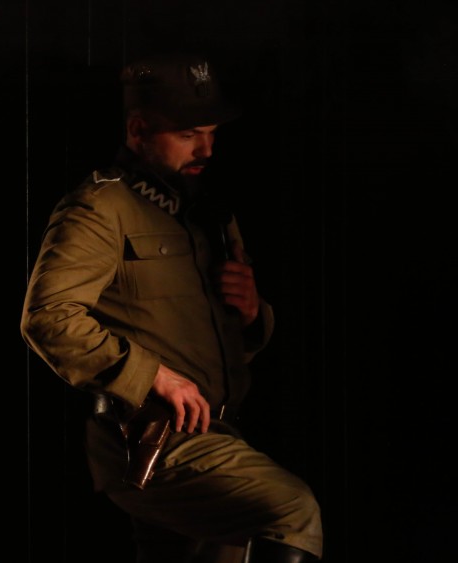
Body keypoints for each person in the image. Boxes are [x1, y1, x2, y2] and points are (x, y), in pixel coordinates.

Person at [20, 52, 323, 562]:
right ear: (138, 130)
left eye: (211, 133)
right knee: (291, 511)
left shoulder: (210, 215)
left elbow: (220, 347)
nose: (206, 148)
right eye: (187, 134)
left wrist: (252, 316)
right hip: (149, 436)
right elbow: (48, 318)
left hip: (211, 430)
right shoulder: (100, 207)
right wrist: (152, 375)